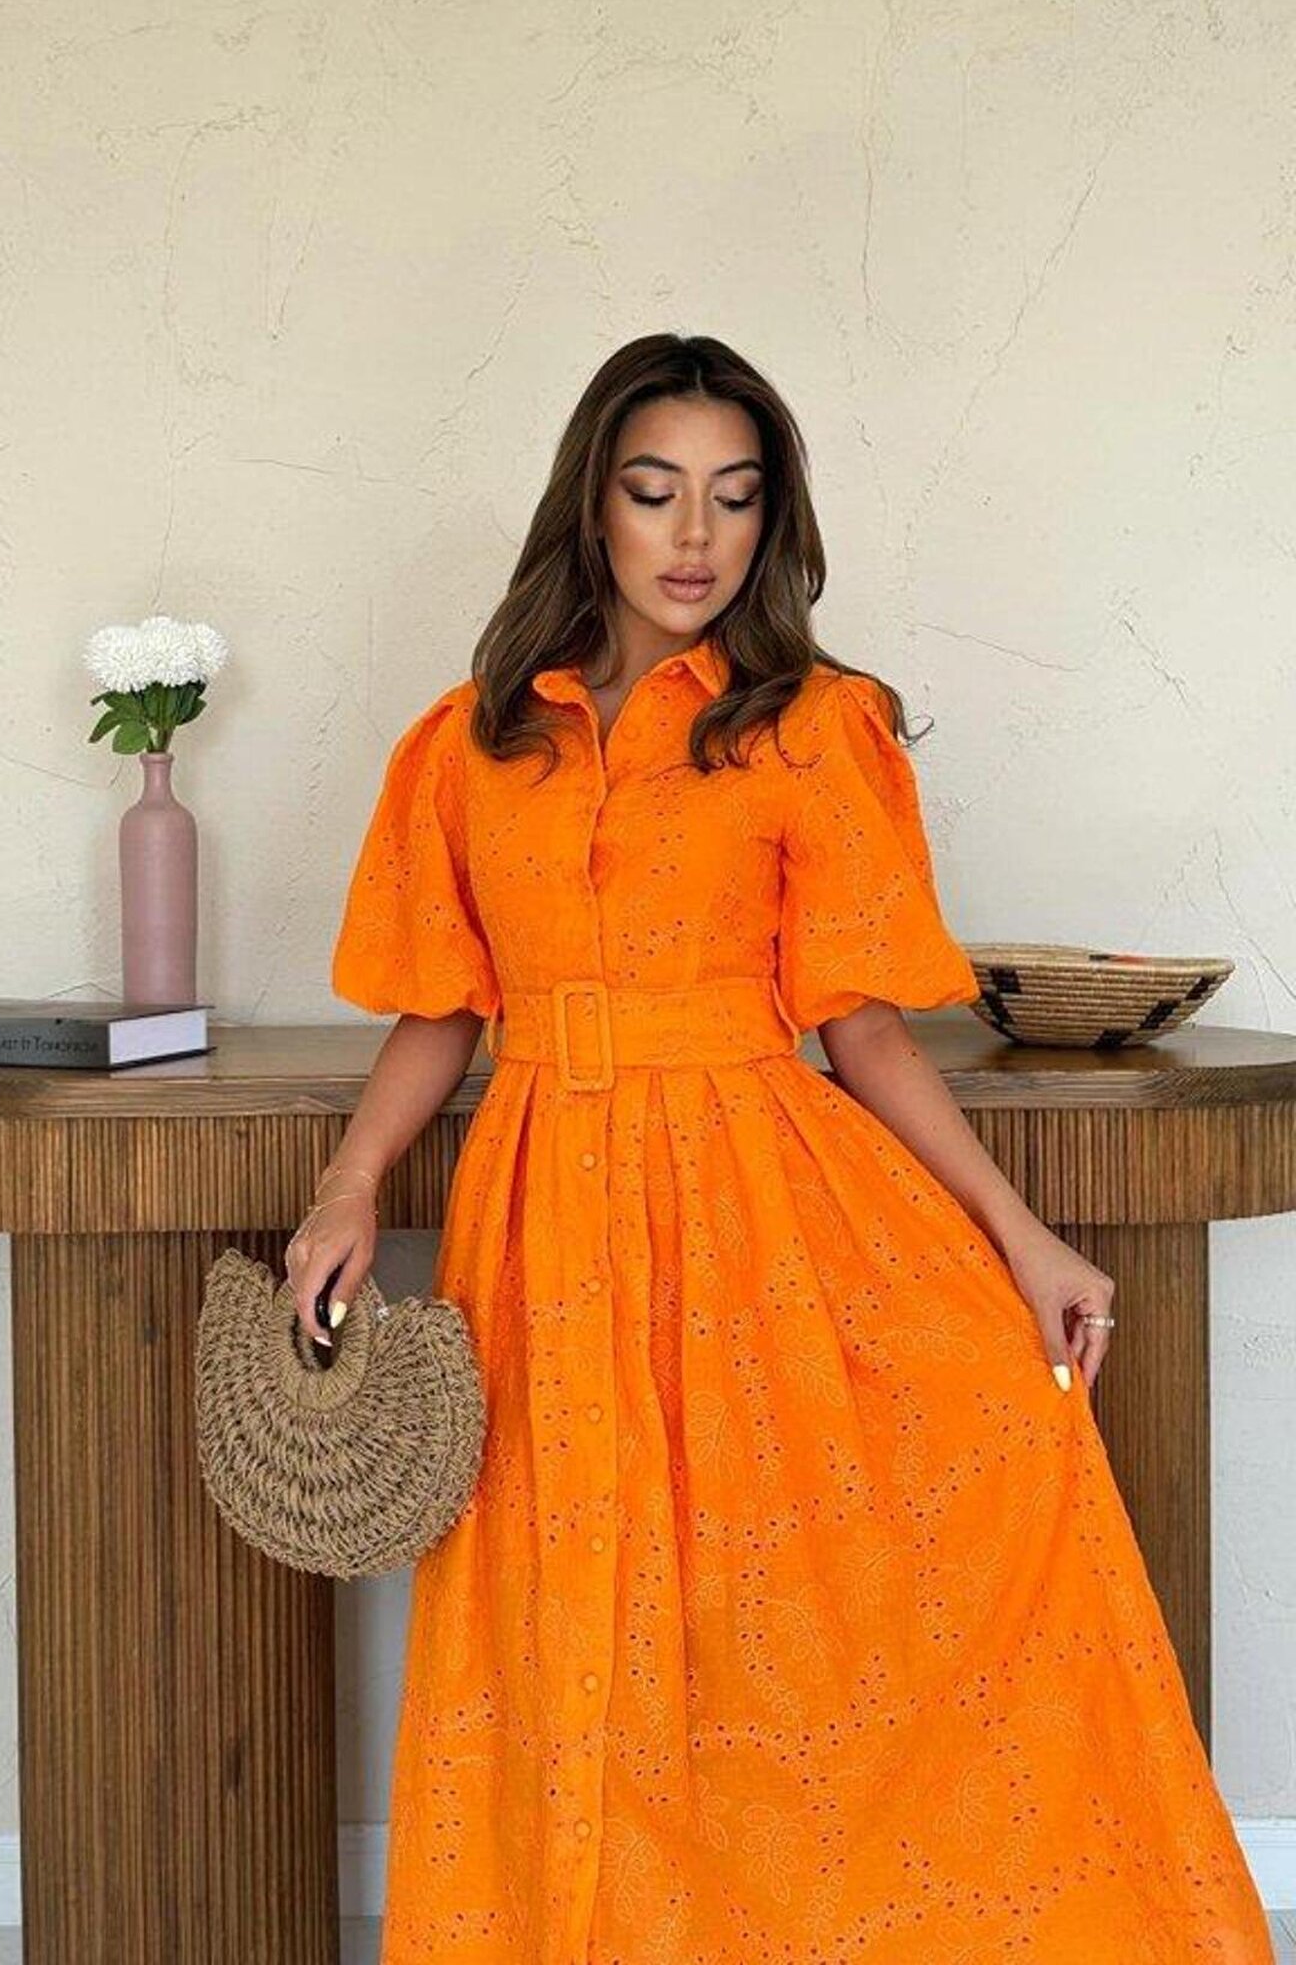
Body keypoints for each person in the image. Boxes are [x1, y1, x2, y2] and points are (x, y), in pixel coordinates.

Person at [291, 334, 1274, 1963]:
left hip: (756, 1210)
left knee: (768, 1643)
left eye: (734, 498)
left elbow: (864, 1031)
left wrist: (1021, 1238)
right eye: (656, 491)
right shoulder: (468, 747)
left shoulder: (814, 729)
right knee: (568, 1629)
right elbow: (441, 1010)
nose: (696, 537)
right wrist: (349, 1188)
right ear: (592, 507)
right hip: (542, 1228)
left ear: (773, 519)